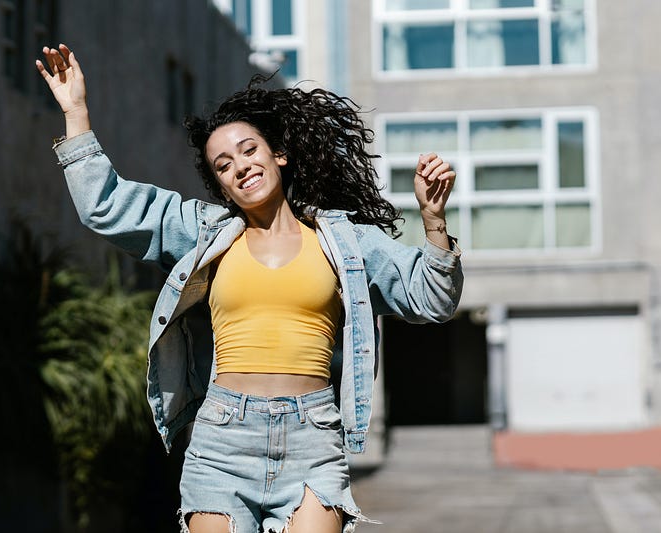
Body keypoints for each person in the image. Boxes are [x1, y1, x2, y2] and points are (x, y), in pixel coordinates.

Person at [37, 43, 463, 533]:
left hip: (313, 439)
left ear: (278, 155)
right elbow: (107, 207)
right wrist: (76, 113)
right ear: (220, 186)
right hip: (223, 441)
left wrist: (433, 223)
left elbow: (434, 299)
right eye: (223, 165)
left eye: (248, 150)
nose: (239, 166)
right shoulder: (204, 233)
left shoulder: (344, 243)